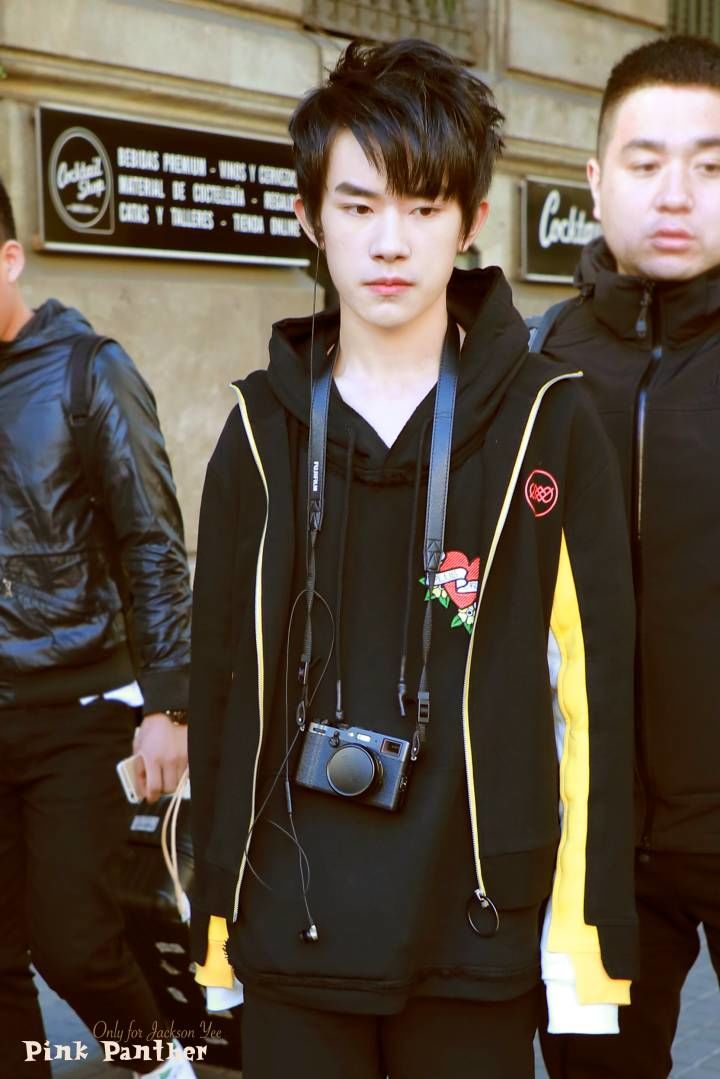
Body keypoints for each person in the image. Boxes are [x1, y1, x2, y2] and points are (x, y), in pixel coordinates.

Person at [189, 39, 637, 1079]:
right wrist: (215, 926)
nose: (390, 241)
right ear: (310, 217)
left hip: (477, 925)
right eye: (358, 205)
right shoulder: (258, 431)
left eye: (425, 206)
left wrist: (582, 944)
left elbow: (594, 701)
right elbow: (222, 689)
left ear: (471, 221)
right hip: (289, 921)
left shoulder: (548, 422)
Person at [535, 34, 720, 1079]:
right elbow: (461, 576)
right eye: (646, 163)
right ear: (597, 180)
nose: (676, 193)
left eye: (710, 165)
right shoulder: (531, 366)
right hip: (586, 843)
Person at [0, 179, 195, 1078]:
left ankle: (160, 1066)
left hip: (78, 709)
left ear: (11, 259)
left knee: (73, 942)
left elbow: (153, 540)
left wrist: (170, 704)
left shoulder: (88, 371)